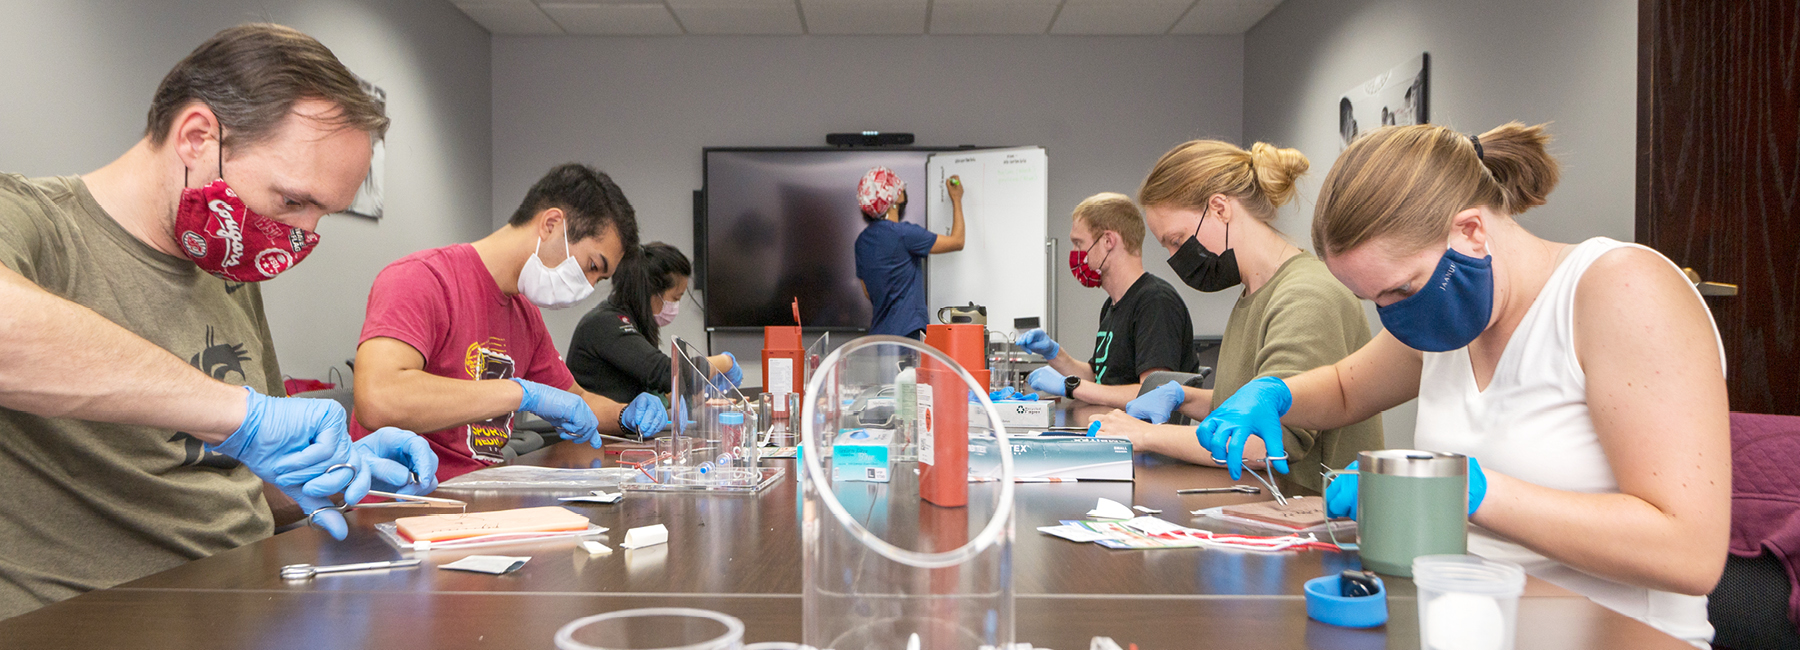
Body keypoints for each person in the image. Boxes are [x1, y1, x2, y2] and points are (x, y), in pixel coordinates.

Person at [1200, 122, 1728, 645]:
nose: (1393, 315)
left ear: (1470, 232)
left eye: (1400, 288)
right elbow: (1344, 388)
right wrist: (1276, 393)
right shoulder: (1451, 315)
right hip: (1469, 627)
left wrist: (1457, 491)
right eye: (1375, 301)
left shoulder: (1621, 290)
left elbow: (1688, 552)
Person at [0, 24, 435, 619]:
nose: (304, 235)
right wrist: (243, 416)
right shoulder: (35, 222)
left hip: (247, 601)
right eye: (292, 201)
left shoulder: (225, 269)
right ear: (198, 137)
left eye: (321, 214)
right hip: (96, 624)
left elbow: (228, 484)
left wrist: (331, 475)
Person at [1086, 142, 1381, 496]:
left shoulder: (1306, 295)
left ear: (1220, 208)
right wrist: (1184, 397)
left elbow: (1264, 445)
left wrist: (1144, 435)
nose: (1174, 258)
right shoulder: (1254, 292)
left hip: (1316, 521)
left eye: (1177, 240)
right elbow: (1248, 405)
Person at [351, 164, 670, 482]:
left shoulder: (525, 315)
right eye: (590, 266)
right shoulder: (423, 278)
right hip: (402, 503)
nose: (587, 286)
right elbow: (379, 398)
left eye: (598, 279)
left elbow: (577, 401)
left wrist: (626, 415)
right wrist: (518, 394)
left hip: (476, 497)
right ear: (551, 224)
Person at [1016, 193, 1198, 409]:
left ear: (1108, 241)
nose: (1075, 254)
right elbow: (1098, 378)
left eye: (1078, 243)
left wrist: (1070, 386)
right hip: (1111, 426)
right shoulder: (1112, 305)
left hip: (1138, 438)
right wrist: (1054, 354)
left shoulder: (1155, 301)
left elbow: (1153, 393)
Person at [568, 242, 742, 403]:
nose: (675, 306)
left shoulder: (633, 322)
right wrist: (725, 362)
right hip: (596, 433)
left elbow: (656, 389)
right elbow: (671, 374)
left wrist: (695, 401)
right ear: (651, 291)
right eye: (675, 298)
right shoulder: (606, 324)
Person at [854, 169, 966, 338]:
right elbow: (957, 241)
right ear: (895, 198)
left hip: (879, 337)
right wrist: (956, 199)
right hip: (908, 335)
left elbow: (868, 292)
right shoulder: (904, 234)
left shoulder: (861, 242)